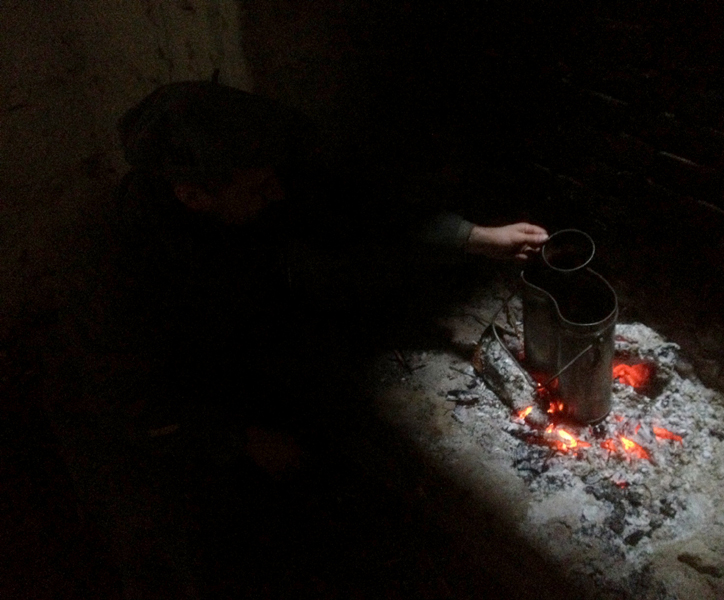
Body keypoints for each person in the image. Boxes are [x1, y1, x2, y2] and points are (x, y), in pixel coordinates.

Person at [45, 79, 549, 598]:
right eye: (260, 188)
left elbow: (363, 214)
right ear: (193, 195)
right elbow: (132, 401)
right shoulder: (109, 272)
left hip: (232, 343)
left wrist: (475, 238)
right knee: (197, 543)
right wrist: (241, 440)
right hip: (158, 419)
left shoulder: (255, 181)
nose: (278, 194)